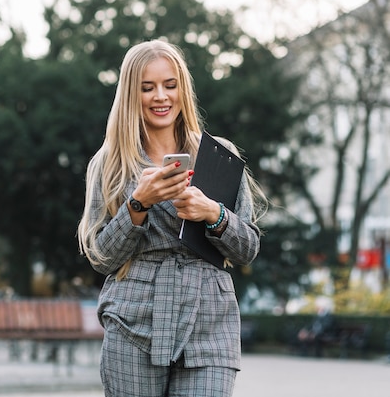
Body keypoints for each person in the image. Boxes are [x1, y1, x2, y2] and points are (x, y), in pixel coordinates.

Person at [77, 40, 266, 397]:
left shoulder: (217, 154)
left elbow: (248, 249)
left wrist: (214, 214)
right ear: (132, 94)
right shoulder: (111, 163)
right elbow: (101, 257)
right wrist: (138, 204)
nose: (160, 96)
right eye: (147, 88)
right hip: (134, 320)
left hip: (209, 320)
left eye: (170, 84)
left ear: (183, 87)